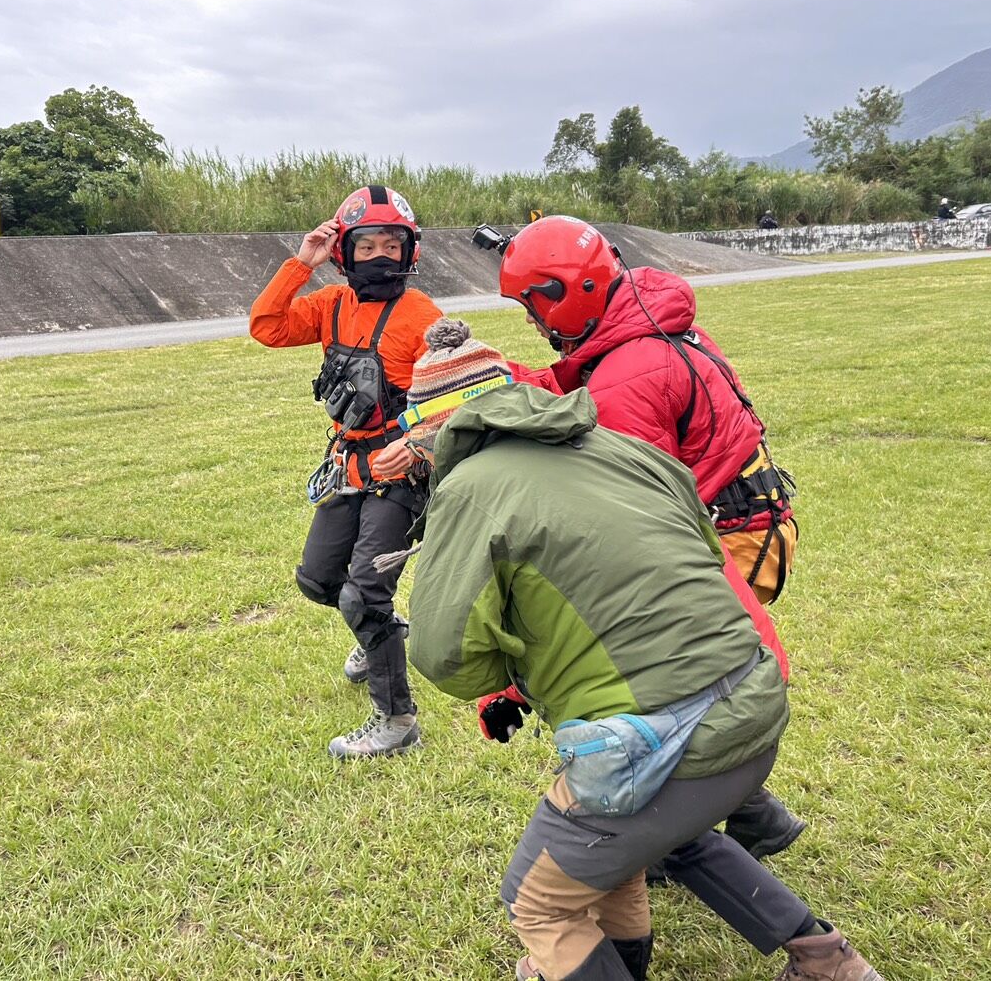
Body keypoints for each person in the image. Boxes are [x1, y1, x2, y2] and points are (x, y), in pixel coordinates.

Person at [394, 318, 884, 981]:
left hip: (667, 744)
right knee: (639, 837)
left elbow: (444, 656)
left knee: (538, 901)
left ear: (434, 429)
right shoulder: (622, 447)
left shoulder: (469, 489)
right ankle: (825, 961)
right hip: (755, 701)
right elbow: (704, 552)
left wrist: (525, 665)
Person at [498, 216, 804, 876]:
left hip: (731, 543)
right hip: (748, 522)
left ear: (568, 294)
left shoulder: (630, 375)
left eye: (531, 305)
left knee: (659, 685)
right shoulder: (643, 328)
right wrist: (501, 378)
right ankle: (758, 817)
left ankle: (676, 834)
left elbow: (623, 509)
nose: (530, 320)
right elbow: (580, 382)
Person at [249, 185, 439, 758]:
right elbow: (267, 327)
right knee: (318, 580)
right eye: (367, 245)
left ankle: (397, 721)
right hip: (347, 462)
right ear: (344, 251)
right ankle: (380, 634)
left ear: (409, 251)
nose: (380, 256)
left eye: (391, 245)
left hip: (401, 472)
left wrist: (417, 447)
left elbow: (458, 399)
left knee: (364, 591)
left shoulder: (423, 316)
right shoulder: (330, 304)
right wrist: (301, 264)